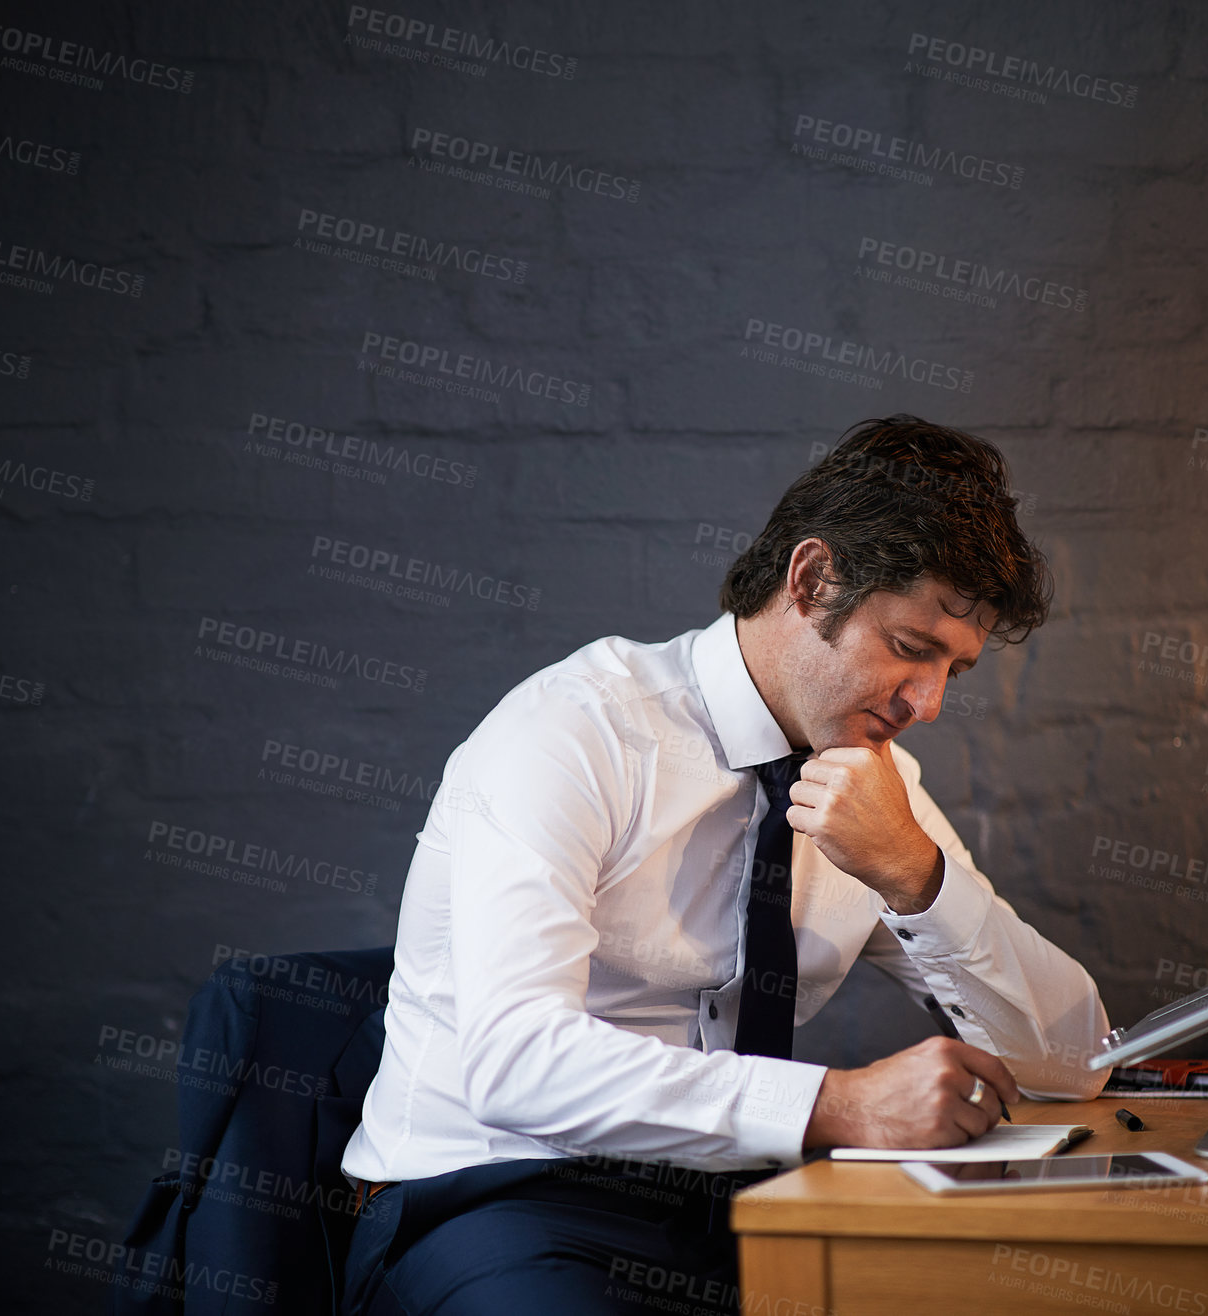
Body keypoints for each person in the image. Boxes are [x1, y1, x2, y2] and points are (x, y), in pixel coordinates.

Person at [339, 415, 1109, 1315]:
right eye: (910, 648)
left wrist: (916, 875)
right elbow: (517, 1066)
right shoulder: (570, 732)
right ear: (813, 580)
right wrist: (838, 1106)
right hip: (491, 1202)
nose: (928, 704)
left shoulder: (878, 785)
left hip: (738, 1208)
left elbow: (1075, 1060)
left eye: (954, 671)